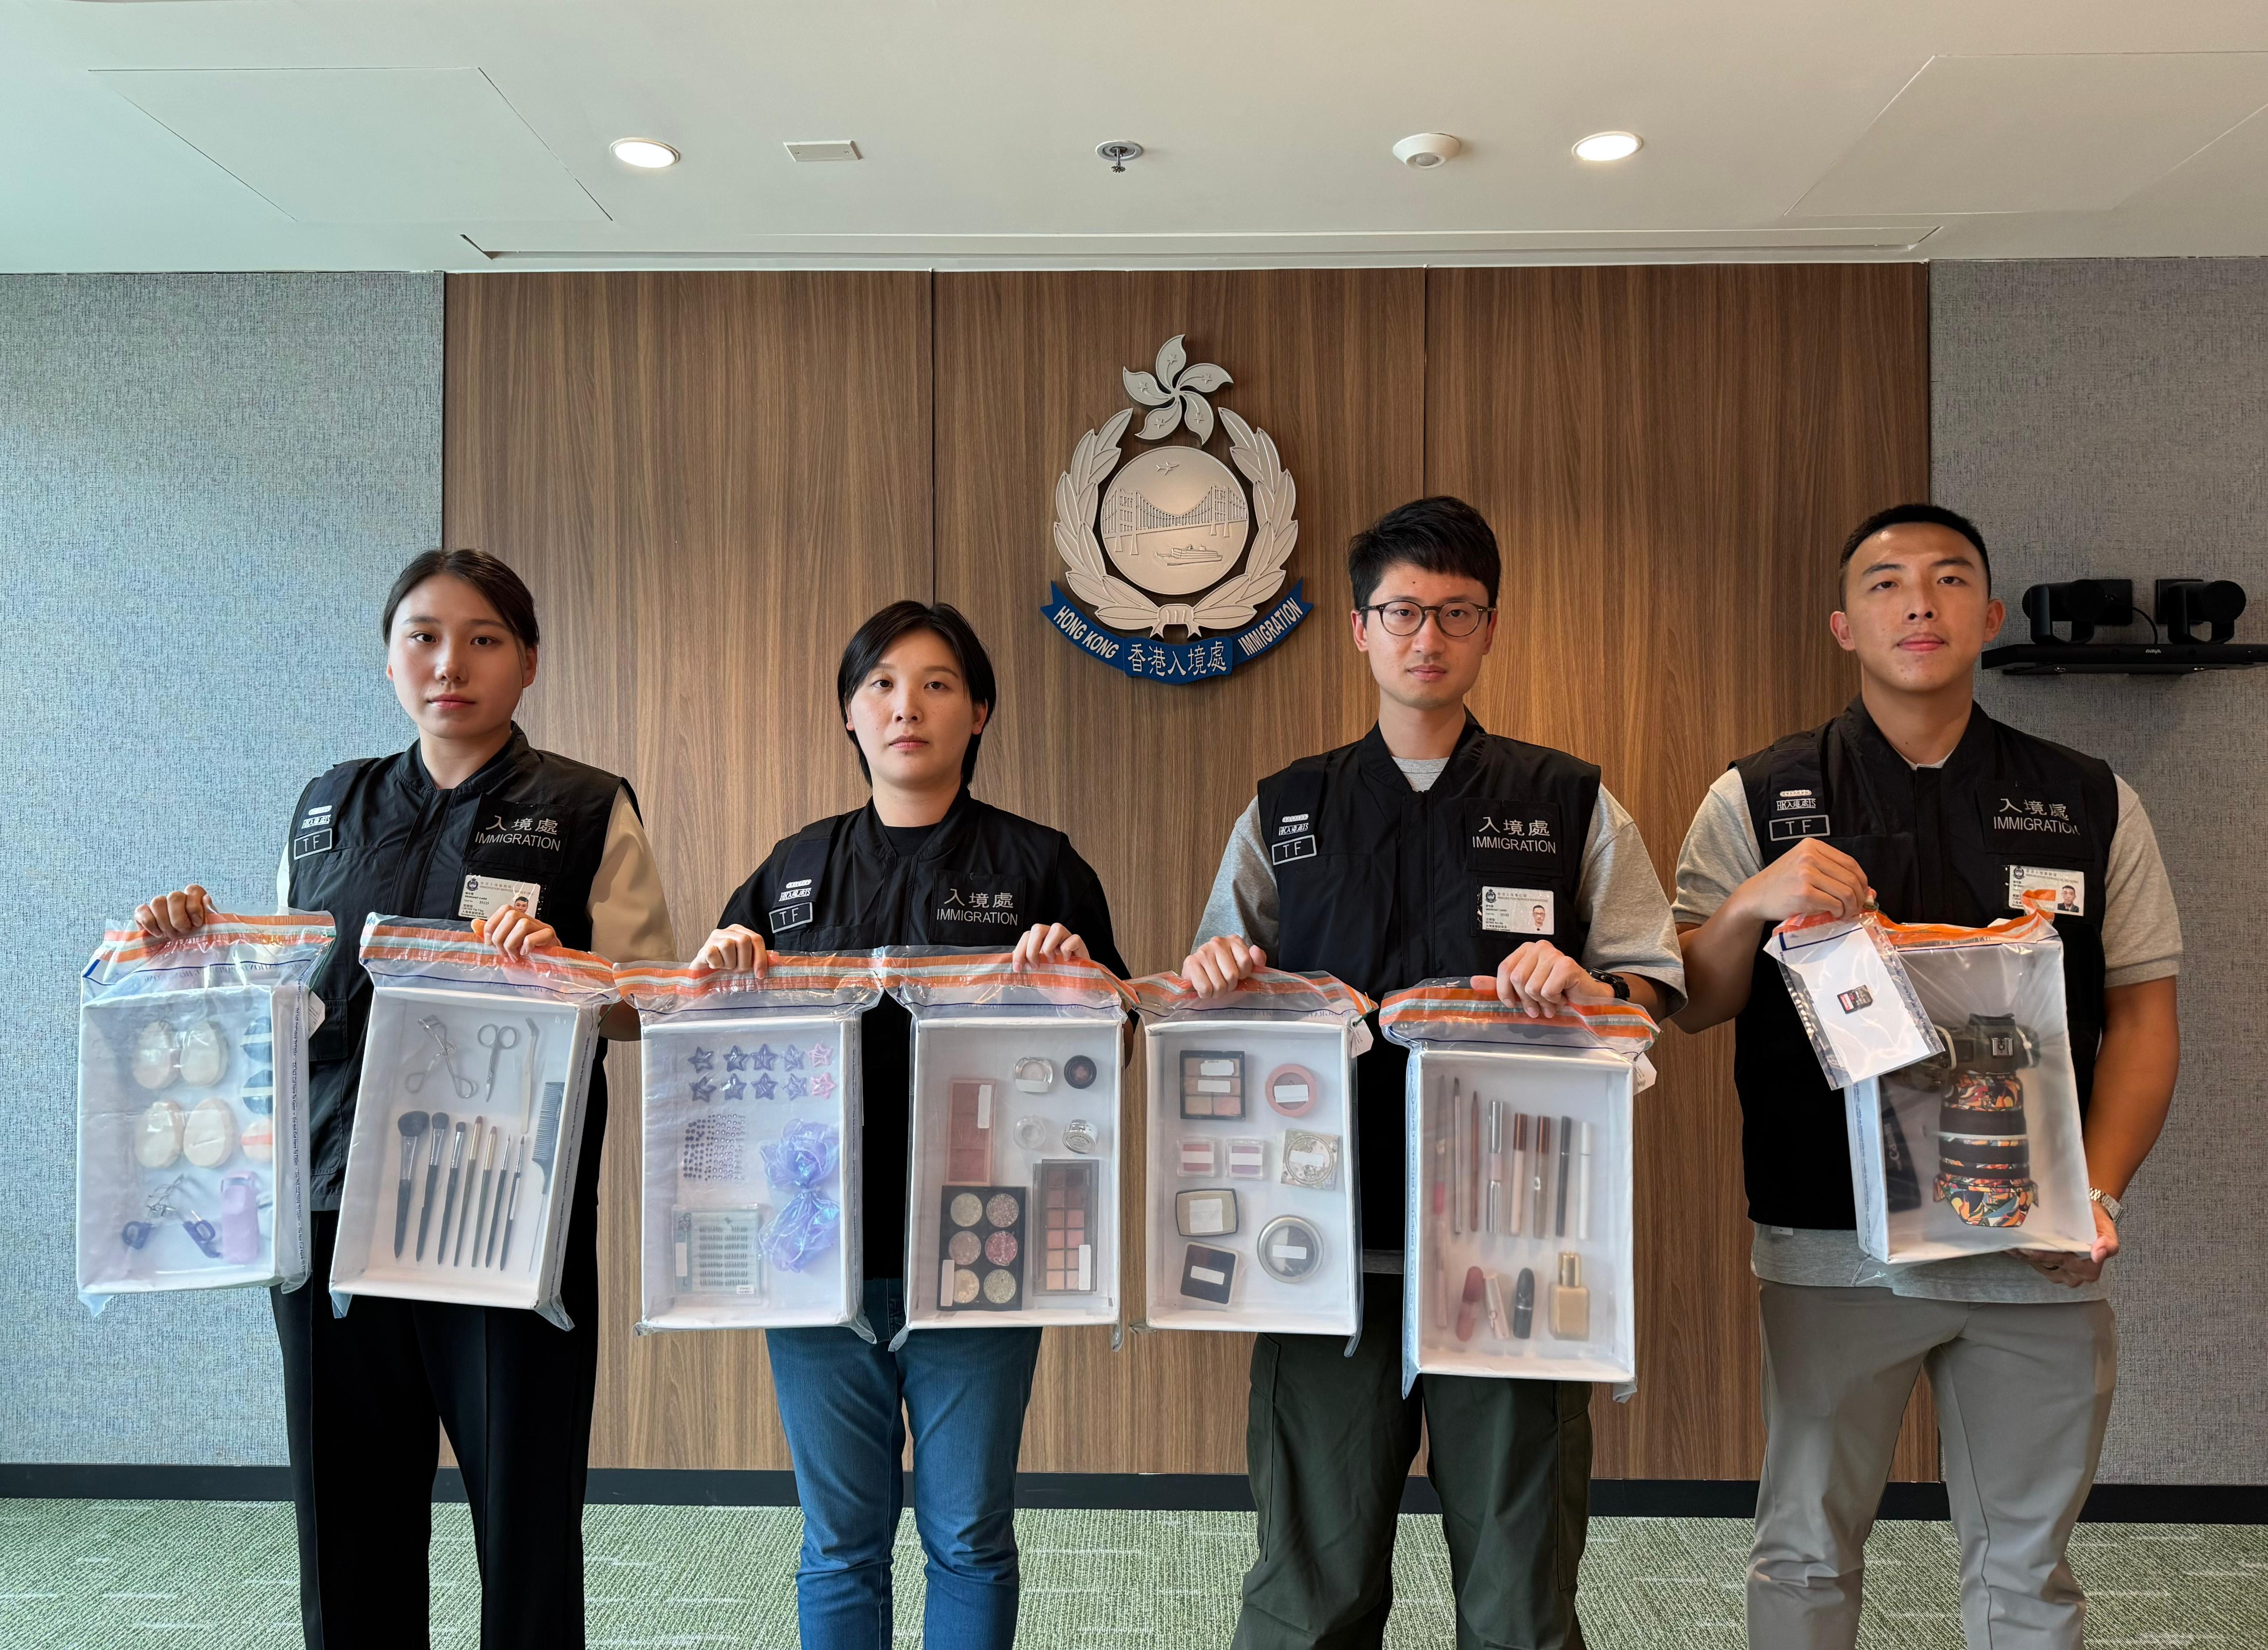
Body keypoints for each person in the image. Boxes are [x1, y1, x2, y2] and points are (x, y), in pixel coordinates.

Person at [133, 549, 676, 1648]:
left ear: (529, 661)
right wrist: (193, 943)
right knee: (349, 1516)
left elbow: (644, 1002)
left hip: (504, 1216)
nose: (450, 663)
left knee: (524, 1517)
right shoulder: (325, 808)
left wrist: (562, 964)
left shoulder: (584, 804)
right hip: (331, 1209)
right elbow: (284, 992)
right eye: (423, 636)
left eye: (483, 638)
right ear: (389, 659)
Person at [1670, 503, 2182, 1650]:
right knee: (1804, 1549)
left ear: (1988, 616)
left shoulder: (2091, 797)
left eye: (1949, 580)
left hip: (2035, 1246)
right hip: (1832, 1243)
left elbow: (2145, 1016)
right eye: (1887, 582)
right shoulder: (1759, 794)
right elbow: (1693, 998)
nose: (1918, 602)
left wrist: (2096, 1192)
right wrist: (1753, 900)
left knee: (2028, 1567)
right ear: (1844, 624)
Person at [1181, 497, 1686, 1650]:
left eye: (1456, 613)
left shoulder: (1567, 800)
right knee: (1309, 1586)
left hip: (1514, 1252)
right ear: (1361, 628)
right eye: (1403, 611)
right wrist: (1217, 969)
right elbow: (1218, 987)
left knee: (1518, 1593)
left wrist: (1594, 985)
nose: (1429, 637)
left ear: (1489, 629)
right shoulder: (1289, 807)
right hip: (1324, 1246)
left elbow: (1653, 984)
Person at [691, 600, 1124, 1650]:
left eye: (937, 683)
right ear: (849, 711)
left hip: (985, 1243)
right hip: (814, 1248)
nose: (906, 706)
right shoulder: (793, 872)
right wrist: (716, 969)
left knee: (967, 1532)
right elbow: (707, 1041)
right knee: (840, 1537)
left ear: (979, 711)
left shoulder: (1039, 866)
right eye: (881, 683)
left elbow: (1114, 1046)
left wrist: (1081, 987)